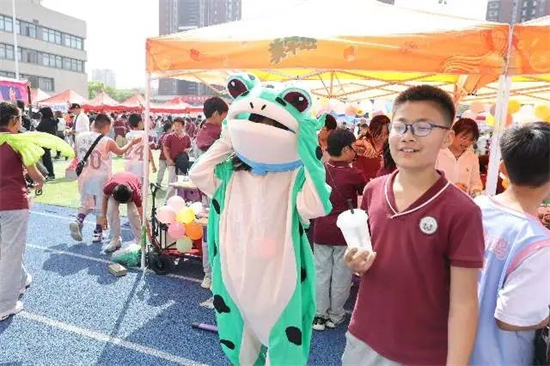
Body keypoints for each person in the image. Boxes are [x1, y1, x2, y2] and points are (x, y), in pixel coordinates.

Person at [343, 85, 485, 366]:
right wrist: (356, 263)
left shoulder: (462, 211)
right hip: (362, 337)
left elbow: (464, 303)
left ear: (447, 137)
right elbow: (369, 254)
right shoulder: (373, 189)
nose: (407, 136)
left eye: (423, 127)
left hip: (421, 353)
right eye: (400, 126)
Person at [470, 122, 550, 366]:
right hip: (499, 357)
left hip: (452, 347)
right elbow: (511, 320)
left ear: (503, 168)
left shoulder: (474, 208)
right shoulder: (538, 243)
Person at [312, 128, 366, 331]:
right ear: (345, 149)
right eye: (353, 148)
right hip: (345, 231)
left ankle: (319, 315)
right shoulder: (354, 174)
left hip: (321, 228)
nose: (355, 152)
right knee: (342, 275)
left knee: (321, 273)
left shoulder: (320, 170)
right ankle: (335, 315)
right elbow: (365, 192)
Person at [0, 102, 45, 321]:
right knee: (10, 252)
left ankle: (22, 279)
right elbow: (36, 176)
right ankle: (5, 306)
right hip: (13, 204)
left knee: (5, 249)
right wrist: (39, 182)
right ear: (14, 120)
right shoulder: (17, 142)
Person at [70, 114, 141, 244]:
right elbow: (120, 151)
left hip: (84, 175)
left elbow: (75, 154)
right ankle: (97, 232)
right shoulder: (106, 140)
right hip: (101, 176)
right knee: (100, 204)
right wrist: (131, 143)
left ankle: (78, 220)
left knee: (85, 202)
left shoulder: (79, 137)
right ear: (107, 126)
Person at [436, 117, 483, 197]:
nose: (467, 142)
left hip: (462, 204)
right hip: (440, 203)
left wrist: (476, 191)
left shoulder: (472, 157)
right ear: (453, 134)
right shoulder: (437, 154)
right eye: (464, 138)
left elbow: (475, 182)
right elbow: (427, 184)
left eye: (471, 139)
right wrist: (451, 188)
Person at [100, 171, 144, 252]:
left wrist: (147, 230)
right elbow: (104, 199)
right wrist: (103, 217)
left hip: (132, 183)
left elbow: (142, 214)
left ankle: (140, 240)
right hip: (117, 187)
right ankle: (115, 239)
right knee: (111, 209)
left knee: (133, 213)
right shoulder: (109, 187)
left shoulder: (135, 194)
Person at [352, 115, 390, 183]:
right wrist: (365, 143)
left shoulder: (390, 146)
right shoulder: (363, 145)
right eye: (379, 134)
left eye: (386, 134)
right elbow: (350, 145)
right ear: (370, 131)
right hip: (362, 186)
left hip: (383, 185)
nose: (383, 137)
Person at [163, 117, 192, 200]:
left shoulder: (186, 137)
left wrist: (186, 150)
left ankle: (181, 200)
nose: (176, 127)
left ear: (183, 126)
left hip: (182, 163)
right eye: (175, 125)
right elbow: (165, 149)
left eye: (178, 125)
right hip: (173, 163)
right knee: (171, 183)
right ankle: (168, 201)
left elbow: (189, 148)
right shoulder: (170, 136)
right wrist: (169, 159)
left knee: (182, 183)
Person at [124, 113, 156, 184]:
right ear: (139, 123)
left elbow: (126, 150)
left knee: (130, 184)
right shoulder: (144, 134)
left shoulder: (128, 135)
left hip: (129, 162)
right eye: (142, 122)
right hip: (140, 163)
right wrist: (153, 164)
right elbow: (148, 150)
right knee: (141, 185)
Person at [36, 107, 58, 181]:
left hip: (43, 141)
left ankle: (49, 174)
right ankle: (50, 174)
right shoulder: (52, 121)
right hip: (49, 141)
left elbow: (38, 129)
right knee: (47, 158)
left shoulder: (45, 121)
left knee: (46, 159)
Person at [155, 121, 173, 188]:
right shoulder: (171, 136)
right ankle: (171, 185)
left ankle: (158, 183)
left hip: (162, 157)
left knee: (161, 171)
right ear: (169, 129)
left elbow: (158, 146)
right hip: (169, 157)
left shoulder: (162, 136)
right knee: (171, 172)